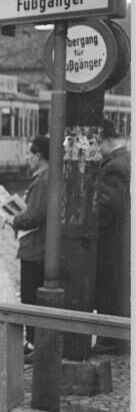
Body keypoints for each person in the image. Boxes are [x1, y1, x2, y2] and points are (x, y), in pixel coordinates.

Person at [4, 135, 49, 354]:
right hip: (36, 248)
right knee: (30, 296)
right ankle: (32, 341)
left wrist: (13, 218)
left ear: (39, 156)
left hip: (35, 250)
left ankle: (32, 343)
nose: (27, 157)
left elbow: (34, 217)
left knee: (30, 297)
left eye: (30, 153)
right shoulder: (43, 177)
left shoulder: (42, 180)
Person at [92, 122, 130, 354]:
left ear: (107, 141)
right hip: (120, 238)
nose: (98, 148)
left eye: (98, 143)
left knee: (110, 288)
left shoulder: (114, 166)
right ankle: (115, 338)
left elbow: (108, 206)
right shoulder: (124, 160)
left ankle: (111, 340)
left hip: (112, 241)